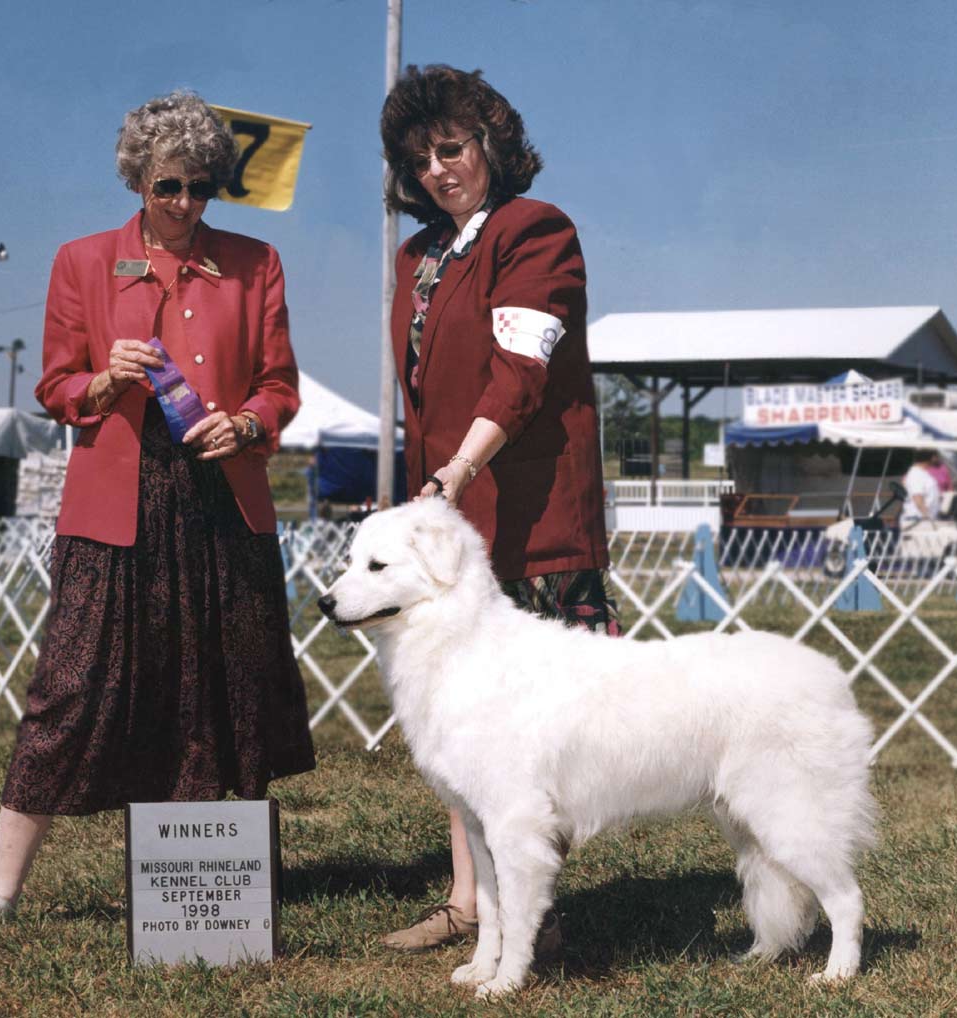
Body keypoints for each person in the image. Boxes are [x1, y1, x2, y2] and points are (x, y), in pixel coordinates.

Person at [0, 92, 315, 932]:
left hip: (223, 503)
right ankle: (0, 889)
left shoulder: (256, 262)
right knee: (69, 687)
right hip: (113, 509)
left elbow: (280, 384)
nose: (187, 204)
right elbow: (54, 387)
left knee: (221, 691)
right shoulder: (82, 261)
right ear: (137, 182)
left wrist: (252, 422)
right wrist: (103, 380)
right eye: (169, 187)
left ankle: (213, 886)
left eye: (202, 187)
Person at [378, 65, 616, 956]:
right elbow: (423, 394)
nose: (438, 169)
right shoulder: (418, 256)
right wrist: (425, 495)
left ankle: (537, 914)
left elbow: (521, 371)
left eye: (453, 148)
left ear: (491, 146)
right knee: (459, 720)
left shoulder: (533, 229)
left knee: (541, 731)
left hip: (530, 511)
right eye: (421, 158)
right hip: (449, 517)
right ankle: (471, 901)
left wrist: (458, 469)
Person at [900, 449, 942, 527]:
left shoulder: (922, 473)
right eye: (937, 456)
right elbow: (918, 498)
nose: (939, 458)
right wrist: (928, 518)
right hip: (918, 520)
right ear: (933, 457)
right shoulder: (916, 474)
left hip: (923, 519)